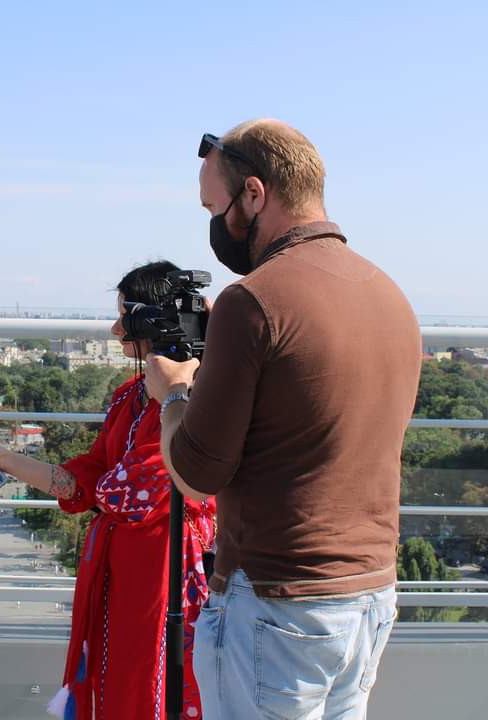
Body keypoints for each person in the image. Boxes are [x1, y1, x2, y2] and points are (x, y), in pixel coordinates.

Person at [143, 120, 423, 720]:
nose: (214, 226)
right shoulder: (390, 294)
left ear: (253, 194)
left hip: (277, 600)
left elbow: (196, 474)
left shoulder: (254, 300)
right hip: (369, 594)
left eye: (214, 208)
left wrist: (173, 393)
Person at [0, 261, 217, 720]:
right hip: (123, 574)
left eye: (126, 316)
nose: (116, 329)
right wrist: (6, 459)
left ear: (154, 322)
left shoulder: (193, 399)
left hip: (165, 573)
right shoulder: (130, 396)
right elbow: (89, 480)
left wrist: (96, 485)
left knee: (151, 683)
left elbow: (125, 492)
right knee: (117, 679)